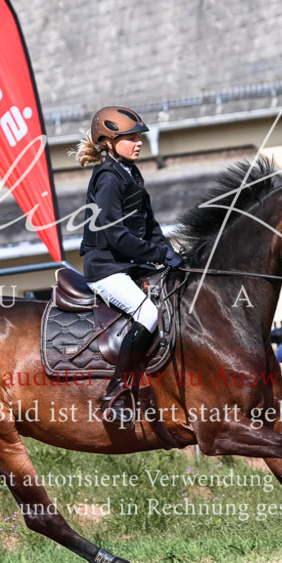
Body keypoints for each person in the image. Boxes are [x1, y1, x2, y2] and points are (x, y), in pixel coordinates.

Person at [74, 105, 183, 424]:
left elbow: (150, 226)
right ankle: (116, 392)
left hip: (127, 264)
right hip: (105, 268)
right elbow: (115, 235)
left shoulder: (131, 173)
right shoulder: (108, 178)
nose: (138, 142)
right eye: (131, 137)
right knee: (147, 313)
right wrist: (159, 255)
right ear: (109, 142)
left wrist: (172, 255)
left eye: (139, 137)